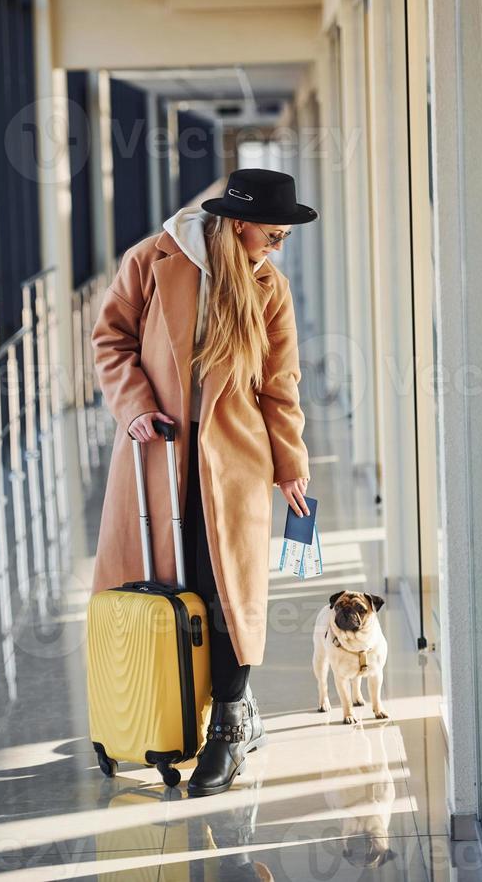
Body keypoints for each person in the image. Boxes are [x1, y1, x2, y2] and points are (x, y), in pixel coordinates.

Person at [91, 167, 318, 797]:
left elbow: (280, 384)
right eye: (272, 235)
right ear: (237, 224)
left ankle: (229, 724)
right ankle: (160, 709)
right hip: (157, 454)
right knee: (165, 588)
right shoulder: (152, 257)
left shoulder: (269, 285)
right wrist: (135, 405)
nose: (278, 247)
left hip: (235, 460)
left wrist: (291, 464)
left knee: (227, 594)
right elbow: (109, 339)